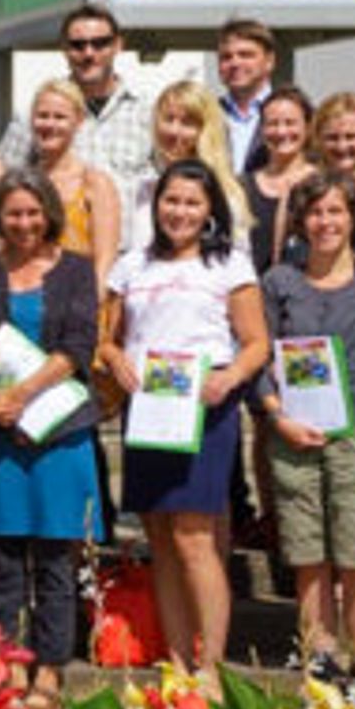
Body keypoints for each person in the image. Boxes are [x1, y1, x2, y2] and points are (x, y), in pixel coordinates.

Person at [103, 161, 269, 673]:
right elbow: (106, 339)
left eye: (192, 203)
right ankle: (176, 661)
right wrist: (117, 361)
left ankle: (211, 666)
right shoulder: (132, 265)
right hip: (149, 409)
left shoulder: (229, 266)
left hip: (205, 407)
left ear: (210, 210)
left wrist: (230, 376)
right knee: (161, 539)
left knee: (195, 538)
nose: (180, 212)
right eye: (171, 201)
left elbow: (257, 342)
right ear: (156, 206)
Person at [0, 170, 103, 693]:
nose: (24, 223)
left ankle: (51, 667)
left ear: (50, 213)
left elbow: (79, 346)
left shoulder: (76, 271)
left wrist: (21, 395)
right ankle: (6, 661)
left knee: (56, 556)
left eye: (33, 212)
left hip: (59, 431)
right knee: (3, 558)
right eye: (13, 213)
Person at [260, 168, 355, 698]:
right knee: (308, 556)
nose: (326, 222)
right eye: (316, 212)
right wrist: (277, 415)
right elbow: (260, 357)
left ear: (354, 219)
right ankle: (321, 666)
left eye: (336, 212)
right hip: (294, 434)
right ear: (301, 221)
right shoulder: (279, 281)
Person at [0, 5, 162, 203]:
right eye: (78, 45)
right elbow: (4, 187)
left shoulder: (149, 114)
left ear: (118, 45)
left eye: (100, 43)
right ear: (64, 49)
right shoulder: (33, 117)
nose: (89, 53)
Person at [17, 79, 127, 279]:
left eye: (60, 117)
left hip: (81, 300)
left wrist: (87, 305)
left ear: (79, 121)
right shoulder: (20, 183)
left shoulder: (95, 183)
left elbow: (105, 261)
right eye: (43, 116)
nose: (50, 124)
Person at [241, 90, 317, 269]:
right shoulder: (242, 187)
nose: (281, 131)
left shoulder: (326, 183)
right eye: (272, 124)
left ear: (307, 126)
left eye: (290, 123)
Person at [213, 18, 285, 170]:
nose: (235, 63)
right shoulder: (208, 113)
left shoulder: (295, 115)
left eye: (246, 55)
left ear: (269, 61)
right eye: (226, 57)